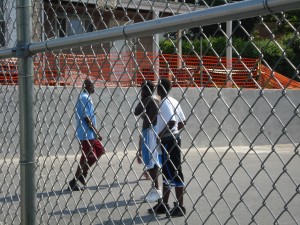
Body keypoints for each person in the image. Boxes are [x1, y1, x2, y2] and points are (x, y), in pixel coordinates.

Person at [148, 78, 186, 217]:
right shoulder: (174, 101)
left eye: (158, 87)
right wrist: (175, 132)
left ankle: (180, 206)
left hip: (168, 141)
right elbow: (182, 122)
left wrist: (161, 134)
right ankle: (164, 204)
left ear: (161, 89)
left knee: (174, 173)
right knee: (167, 173)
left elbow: (172, 122)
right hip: (173, 139)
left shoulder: (164, 103)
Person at [68, 78, 105, 191]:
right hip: (86, 133)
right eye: (92, 86)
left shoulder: (87, 97)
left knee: (100, 151)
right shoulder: (84, 98)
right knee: (89, 155)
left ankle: (84, 172)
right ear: (88, 86)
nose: (94, 88)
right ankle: (74, 181)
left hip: (90, 133)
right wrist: (97, 132)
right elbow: (87, 118)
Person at [134, 80, 162, 202]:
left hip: (150, 131)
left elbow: (136, 111)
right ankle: (155, 189)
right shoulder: (154, 99)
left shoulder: (149, 99)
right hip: (150, 130)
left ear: (145, 90)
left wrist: (143, 97)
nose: (141, 92)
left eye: (142, 89)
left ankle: (156, 190)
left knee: (151, 162)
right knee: (151, 161)